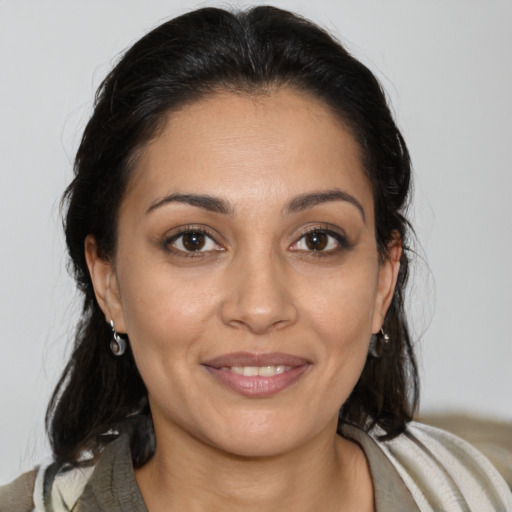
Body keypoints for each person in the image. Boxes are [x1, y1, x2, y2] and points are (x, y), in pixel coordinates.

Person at [1, 6, 510, 512]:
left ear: (383, 279)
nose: (261, 307)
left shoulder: (487, 492)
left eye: (316, 240)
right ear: (107, 280)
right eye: (194, 241)